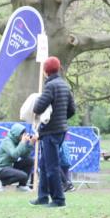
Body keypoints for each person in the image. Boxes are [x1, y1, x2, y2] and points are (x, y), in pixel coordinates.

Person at [31, 57, 76, 207]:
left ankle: (58, 199)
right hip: (61, 130)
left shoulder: (50, 87)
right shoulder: (64, 85)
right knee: (44, 165)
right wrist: (61, 119)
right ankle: (43, 196)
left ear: (45, 71)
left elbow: (38, 108)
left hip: (50, 131)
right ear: (58, 69)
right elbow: (72, 110)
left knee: (52, 167)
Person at [0, 123, 35, 192]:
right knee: (23, 175)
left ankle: (22, 186)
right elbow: (14, 154)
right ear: (17, 134)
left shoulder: (17, 141)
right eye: (22, 134)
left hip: (9, 166)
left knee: (29, 161)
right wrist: (22, 142)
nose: (24, 135)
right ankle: (2, 182)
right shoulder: (7, 141)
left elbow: (24, 156)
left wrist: (31, 144)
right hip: (0, 169)